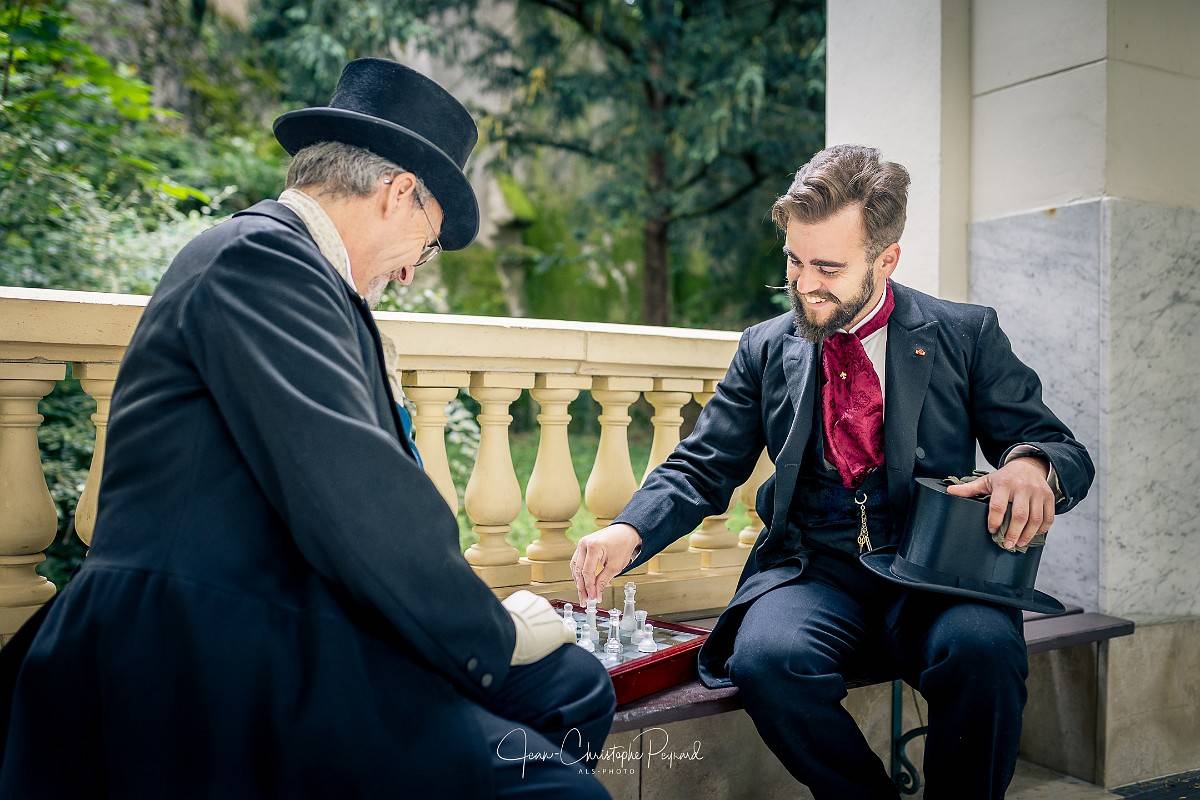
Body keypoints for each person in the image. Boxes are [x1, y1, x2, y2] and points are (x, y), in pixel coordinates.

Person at [0, 58, 614, 799]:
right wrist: (495, 632)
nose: (411, 273)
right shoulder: (259, 260)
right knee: (564, 792)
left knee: (575, 686)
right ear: (398, 193)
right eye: (428, 244)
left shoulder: (299, 271)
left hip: (287, 616)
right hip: (208, 644)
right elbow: (360, 501)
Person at [569, 144, 1094, 799]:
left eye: (828, 267)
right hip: (811, 568)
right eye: (794, 260)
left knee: (985, 651)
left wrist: (1033, 466)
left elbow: (1057, 445)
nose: (803, 283)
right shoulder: (764, 347)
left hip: (936, 575)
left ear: (886, 259)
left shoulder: (966, 332)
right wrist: (629, 531)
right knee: (766, 662)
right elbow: (705, 463)